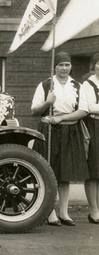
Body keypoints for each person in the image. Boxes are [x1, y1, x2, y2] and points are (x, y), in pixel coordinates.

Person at [31, 51, 89, 226]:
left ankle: (64, 212)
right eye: (60, 65)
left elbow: (83, 111)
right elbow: (34, 110)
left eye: (67, 65)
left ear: (71, 66)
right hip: (50, 131)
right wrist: (48, 102)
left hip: (70, 131)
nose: (64, 68)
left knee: (66, 173)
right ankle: (50, 212)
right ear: (54, 67)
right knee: (50, 172)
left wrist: (62, 118)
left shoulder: (77, 86)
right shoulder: (45, 85)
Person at [81, 52, 99, 224]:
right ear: (94, 66)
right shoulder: (88, 84)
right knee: (93, 170)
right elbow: (90, 107)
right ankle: (94, 210)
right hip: (94, 126)